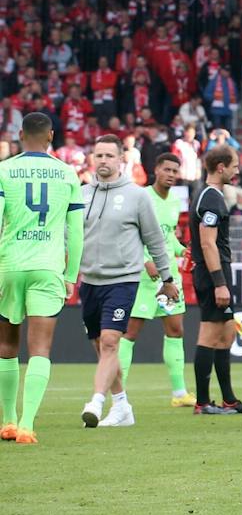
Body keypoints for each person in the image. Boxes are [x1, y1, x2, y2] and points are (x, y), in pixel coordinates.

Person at [78, 136, 180, 429]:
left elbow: (155, 241)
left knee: (111, 342)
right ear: (92, 159)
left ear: (121, 160)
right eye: (98, 155)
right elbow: (70, 236)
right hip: (90, 281)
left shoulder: (137, 196)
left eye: (109, 155)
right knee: (101, 347)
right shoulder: (81, 194)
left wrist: (167, 278)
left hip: (122, 280)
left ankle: (96, 402)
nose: (103, 160)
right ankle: (122, 406)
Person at [0, 113, 85, 444]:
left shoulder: (5, 170)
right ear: (51, 135)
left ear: (20, 134)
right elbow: (75, 232)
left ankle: (6, 420)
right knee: (40, 348)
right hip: (48, 267)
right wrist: (71, 274)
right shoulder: (67, 174)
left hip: (10, 265)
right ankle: (26, 424)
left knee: (7, 346)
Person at [120, 150, 190, 409]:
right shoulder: (141, 197)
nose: (171, 175)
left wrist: (182, 249)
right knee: (129, 332)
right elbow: (129, 235)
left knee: (175, 330)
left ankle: (180, 392)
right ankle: (119, 392)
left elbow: (167, 236)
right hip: (143, 276)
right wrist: (144, 261)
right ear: (156, 170)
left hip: (169, 277)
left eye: (175, 171)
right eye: (167, 170)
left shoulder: (173, 203)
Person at [189, 145, 242, 414]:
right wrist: (219, 282)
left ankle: (228, 399)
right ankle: (203, 402)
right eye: (235, 165)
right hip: (212, 273)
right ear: (221, 167)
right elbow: (207, 244)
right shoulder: (211, 198)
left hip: (219, 271)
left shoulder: (210, 195)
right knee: (210, 334)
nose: (238, 170)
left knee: (226, 333)